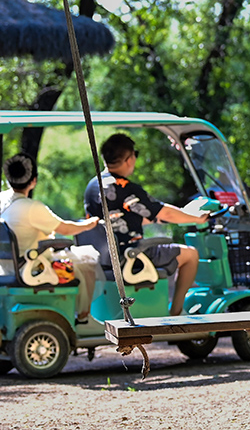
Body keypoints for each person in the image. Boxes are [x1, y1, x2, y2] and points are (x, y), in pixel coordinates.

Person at [84, 133, 208, 316]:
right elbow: (163, 212)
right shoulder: (125, 188)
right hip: (130, 254)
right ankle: (176, 313)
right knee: (190, 254)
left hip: (104, 256)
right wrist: (197, 218)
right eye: (135, 154)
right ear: (128, 159)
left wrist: (152, 218)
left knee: (173, 254)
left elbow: (120, 216)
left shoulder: (94, 185)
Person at [0, 153, 101, 324]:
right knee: (89, 259)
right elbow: (66, 229)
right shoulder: (31, 207)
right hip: (31, 267)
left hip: (6, 268)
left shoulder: (2, 199)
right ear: (34, 180)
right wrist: (90, 224)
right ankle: (84, 318)